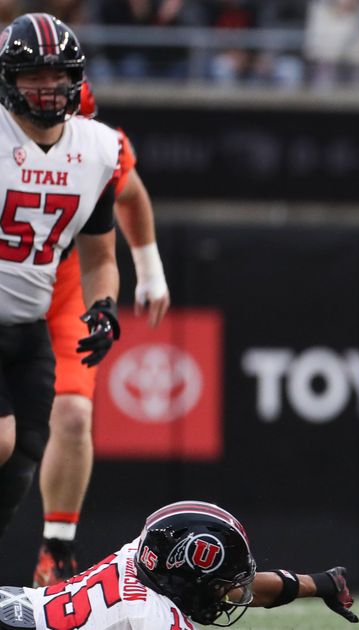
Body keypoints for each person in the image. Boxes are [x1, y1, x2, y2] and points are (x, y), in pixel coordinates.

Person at [34, 80, 170, 587]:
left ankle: (56, 548)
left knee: (73, 413)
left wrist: (150, 270)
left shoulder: (97, 148)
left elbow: (130, 196)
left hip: (66, 288)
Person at [0, 13, 123, 546]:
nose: (47, 88)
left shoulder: (96, 148)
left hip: (29, 327)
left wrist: (104, 305)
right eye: (32, 77)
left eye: (57, 76)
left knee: (21, 463)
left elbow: (99, 255)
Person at [0, 500, 357, 629]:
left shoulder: (140, 552)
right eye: (217, 585)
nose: (225, 596)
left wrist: (321, 583)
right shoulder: (153, 618)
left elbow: (236, 588)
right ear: (188, 577)